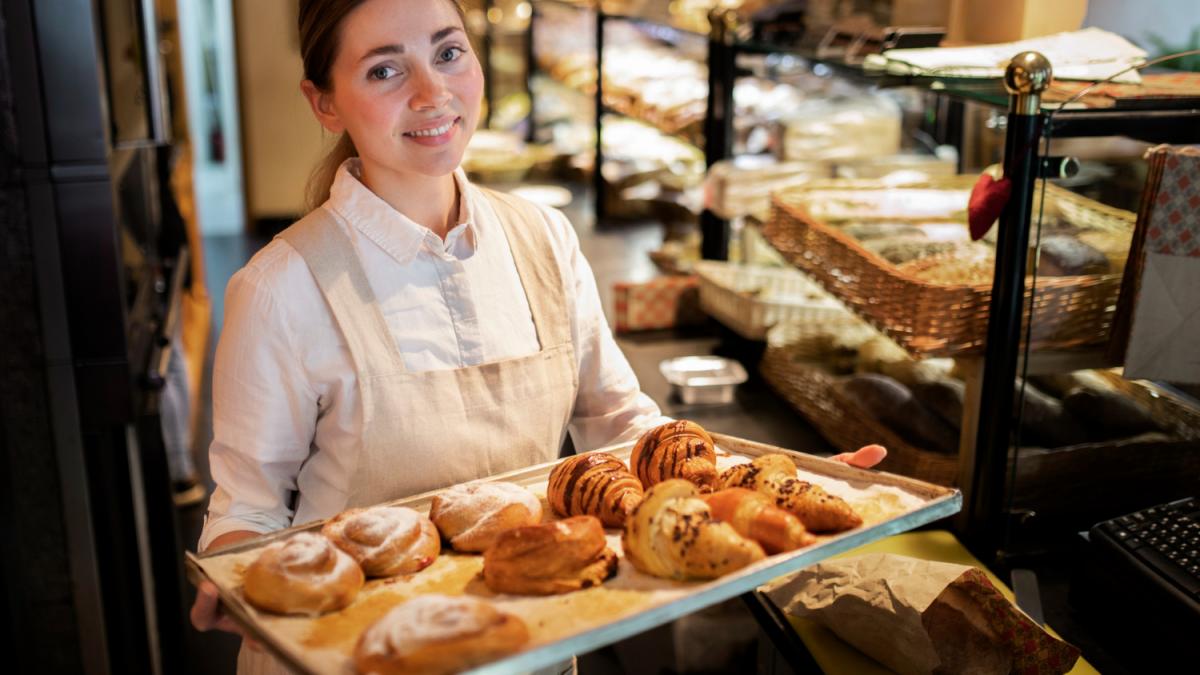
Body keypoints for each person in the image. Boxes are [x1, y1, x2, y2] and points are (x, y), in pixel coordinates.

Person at [189, 0, 887, 671]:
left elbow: (622, 424)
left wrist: (785, 487)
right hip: (357, 654)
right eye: (384, 69)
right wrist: (233, 572)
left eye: (448, 52)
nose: (434, 92)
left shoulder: (544, 239)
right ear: (325, 102)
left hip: (529, 640)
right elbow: (247, 507)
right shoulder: (282, 287)